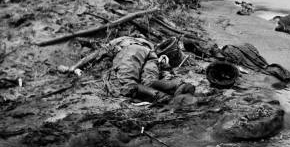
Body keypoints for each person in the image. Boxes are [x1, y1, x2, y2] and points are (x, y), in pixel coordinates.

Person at [63, 36, 194, 103]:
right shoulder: (146, 43)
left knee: (127, 85)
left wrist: (73, 67)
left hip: (131, 51)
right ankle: (179, 86)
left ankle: (163, 98)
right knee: (149, 82)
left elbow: (92, 56)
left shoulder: (115, 43)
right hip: (150, 54)